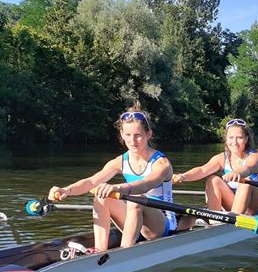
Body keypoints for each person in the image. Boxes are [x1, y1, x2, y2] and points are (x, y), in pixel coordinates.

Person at [48, 105, 182, 251]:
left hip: (162, 225)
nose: (133, 141)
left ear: (148, 134)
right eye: (128, 135)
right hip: (135, 214)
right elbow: (92, 181)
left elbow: (146, 184)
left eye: (138, 135)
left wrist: (118, 187)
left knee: (135, 196)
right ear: (122, 135)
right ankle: (100, 251)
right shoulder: (120, 161)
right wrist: (67, 190)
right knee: (102, 195)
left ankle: (124, 252)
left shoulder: (161, 163)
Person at [174, 118, 258, 216]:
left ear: (246, 139)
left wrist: (237, 173)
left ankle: (232, 222)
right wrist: (183, 176)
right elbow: (202, 170)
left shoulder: (254, 157)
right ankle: (214, 220)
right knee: (213, 179)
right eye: (231, 137)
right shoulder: (222, 158)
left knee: (245, 181)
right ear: (226, 139)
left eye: (239, 138)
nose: (234, 142)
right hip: (235, 204)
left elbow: (248, 168)